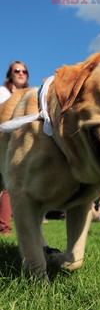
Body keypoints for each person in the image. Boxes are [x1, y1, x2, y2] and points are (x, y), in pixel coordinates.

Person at [0, 61, 29, 235]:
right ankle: (4, 227)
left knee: (13, 185)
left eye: (24, 71)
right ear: (10, 75)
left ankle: (6, 226)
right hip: (3, 141)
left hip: (19, 144)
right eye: (16, 70)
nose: (21, 73)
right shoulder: (3, 93)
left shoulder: (29, 94)